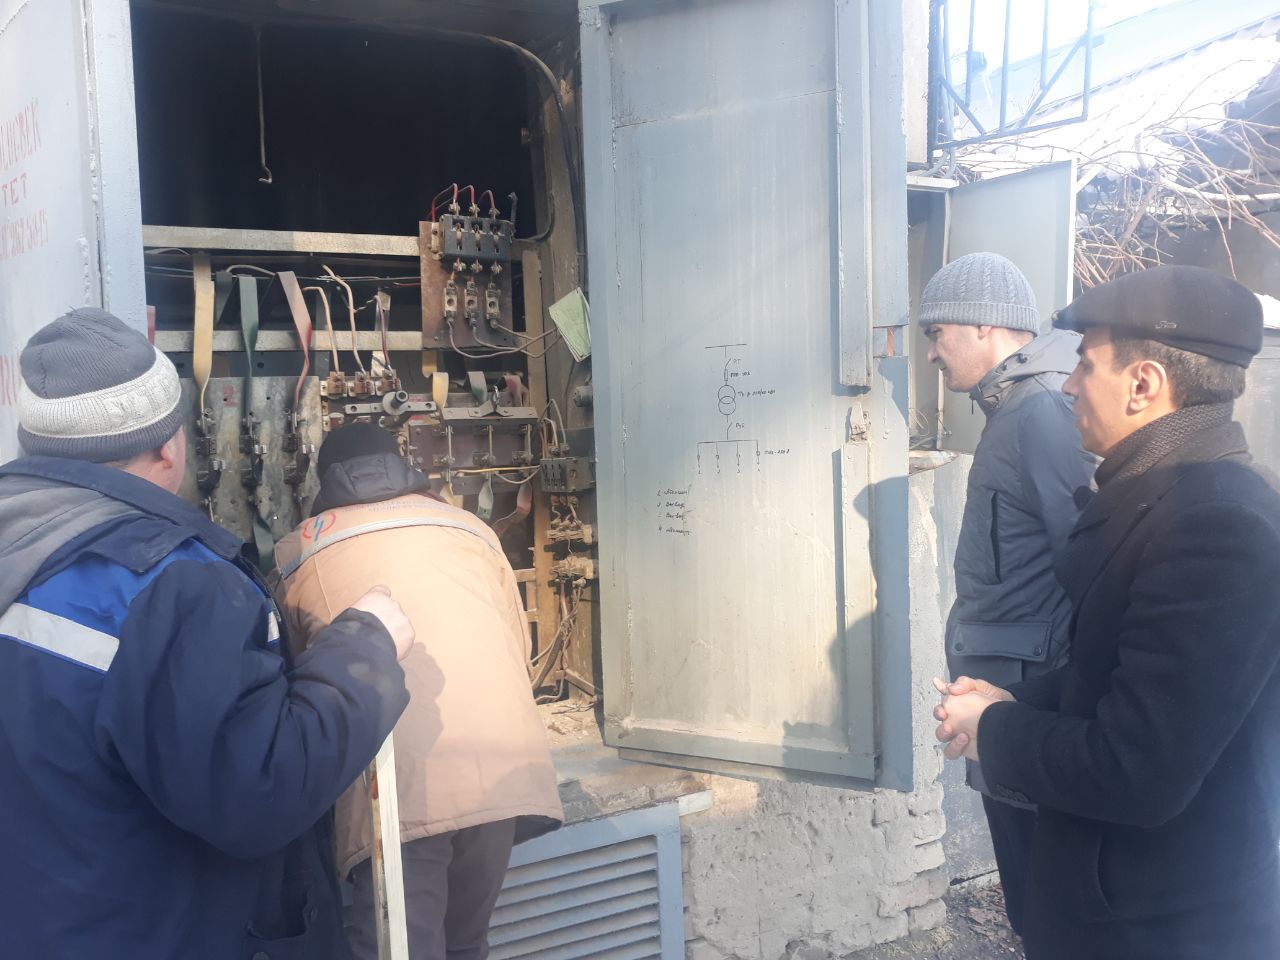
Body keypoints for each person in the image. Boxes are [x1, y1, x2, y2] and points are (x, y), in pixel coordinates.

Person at [0, 308, 416, 960]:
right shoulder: (174, 585)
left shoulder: (21, 553)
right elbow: (259, 791)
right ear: (170, 447)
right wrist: (366, 648)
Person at [934, 266, 1280, 960]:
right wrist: (1015, 698)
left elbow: (1138, 767)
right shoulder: (1167, 496)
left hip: (1165, 922)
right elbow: (1114, 671)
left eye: (1085, 365)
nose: (1067, 385)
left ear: (1143, 384)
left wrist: (994, 729)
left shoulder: (1215, 525)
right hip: (1121, 897)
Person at [273, 423, 564, 960]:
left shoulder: (300, 548)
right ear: (401, 464)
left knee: (401, 949)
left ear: (325, 479)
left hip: (398, 785)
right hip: (503, 766)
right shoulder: (469, 527)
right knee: (466, 945)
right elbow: (518, 646)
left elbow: (292, 688)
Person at [919, 252, 1095, 933]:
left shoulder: (1040, 410)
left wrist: (1056, 697)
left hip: (1028, 695)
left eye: (937, 333)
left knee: (1047, 902)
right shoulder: (1013, 408)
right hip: (1006, 691)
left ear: (984, 326)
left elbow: (1088, 559)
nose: (931, 352)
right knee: (1033, 896)